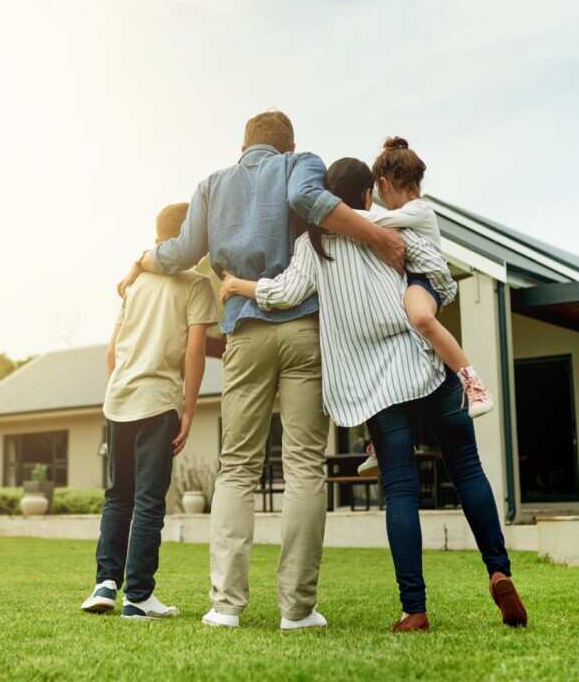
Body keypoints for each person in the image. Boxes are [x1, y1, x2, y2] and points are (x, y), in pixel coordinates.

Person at [116, 111, 406, 630]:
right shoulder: (301, 163)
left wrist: (143, 258)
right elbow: (309, 202)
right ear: (289, 144)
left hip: (245, 334)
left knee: (238, 468)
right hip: (302, 333)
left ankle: (225, 606)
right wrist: (377, 236)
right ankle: (297, 610)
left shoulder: (212, 184)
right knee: (303, 468)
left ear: (242, 145)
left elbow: (182, 252)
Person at [221, 154, 527, 633]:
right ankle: (498, 570)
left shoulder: (312, 242)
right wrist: (424, 295)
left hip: (375, 387)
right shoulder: (385, 225)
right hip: (422, 365)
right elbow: (437, 272)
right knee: (467, 469)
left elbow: (283, 293)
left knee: (401, 490)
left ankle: (414, 609)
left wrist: (238, 284)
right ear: (368, 193)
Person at [82, 202, 218, 620]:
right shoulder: (196, 285)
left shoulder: (135, 283)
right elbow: (195, 350)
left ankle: (105, 583)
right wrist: (189, 409)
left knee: (117, 496)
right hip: (158, 402)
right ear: (186, 238)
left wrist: (122, 383)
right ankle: (138, 596)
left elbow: (111, 351)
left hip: (118, 399)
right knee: (148, 500)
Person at [357, 137, 493, 477]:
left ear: (384, 185)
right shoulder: (406, 212)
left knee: (419, 318)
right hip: (407, 285)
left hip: (424, 283)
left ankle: (472, 382)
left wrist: (332, 212)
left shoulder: (418, 210)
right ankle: (376, 439)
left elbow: (372, 225)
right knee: (389, 358)